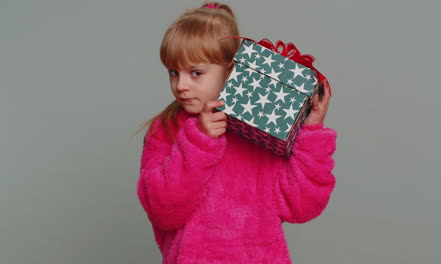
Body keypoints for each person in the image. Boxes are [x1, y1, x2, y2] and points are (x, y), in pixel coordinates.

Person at [135, 2, 336, 263]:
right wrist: (199, 141)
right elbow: (163, 210)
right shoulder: (167, 129)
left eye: (196, 73)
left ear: (231, 70)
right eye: (174, 72)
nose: (181, 85)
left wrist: (310, 131)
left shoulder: (261, 127)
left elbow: (302, 206)